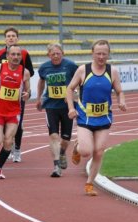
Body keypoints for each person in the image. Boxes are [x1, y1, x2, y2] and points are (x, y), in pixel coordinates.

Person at [66, 40, 127, 196]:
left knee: (99, 152)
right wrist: (71, 108)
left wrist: (122, 101)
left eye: (104, 54)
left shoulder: (112, 71)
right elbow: (70, 89)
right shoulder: (83, 70)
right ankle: (78, 147)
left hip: (103, 117)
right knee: (87, 151)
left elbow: (119, 90)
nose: (101, 57)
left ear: (108, 54)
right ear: (92, 53)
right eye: (98, 53)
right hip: (85, 117)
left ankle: (89, 184)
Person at [0, 45, 31, 179]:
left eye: (18, 55)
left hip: (14, 113)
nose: (16, 57)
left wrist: (27, 94)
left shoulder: (24, 72)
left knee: (8, 141)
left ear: (21, 57)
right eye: (13, 54)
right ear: (8, 56)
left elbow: (28, 90)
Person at [36, 43, 78, 177]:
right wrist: (38, 98)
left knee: (65, 140)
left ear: (63, 53)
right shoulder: (44, 68)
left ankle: (61, 153)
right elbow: (41, 81)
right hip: (51, 106)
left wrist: (74, 94)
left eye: (58, 53)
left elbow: (79, 81)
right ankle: (56, 166)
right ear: (48, 55)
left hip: (67, 107)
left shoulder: (71, 66)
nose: (55, 56)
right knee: (54, 136)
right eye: (52, 54)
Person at [0, 27, 34, 163]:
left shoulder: (24, 53)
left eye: (13, 36)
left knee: (18, 123)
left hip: (17, 93)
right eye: (8, 36)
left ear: (17, 38)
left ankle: (17, 149)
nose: (11, 38)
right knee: (2, 123)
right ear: (5, 39)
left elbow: (30, 72)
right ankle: (8, 145)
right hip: (2, 94)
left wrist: (21, 80)